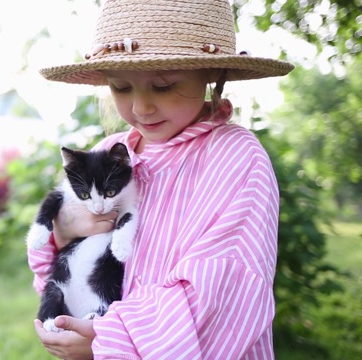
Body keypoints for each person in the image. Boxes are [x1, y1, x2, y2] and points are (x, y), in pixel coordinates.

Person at [27, 0, 294, 359]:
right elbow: (68, 249)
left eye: (164, 86)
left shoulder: (234, 156)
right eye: (121, 88)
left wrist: (110, 338)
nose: (140, 108)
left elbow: (223, 285)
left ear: (212, 74)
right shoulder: (110, 151)